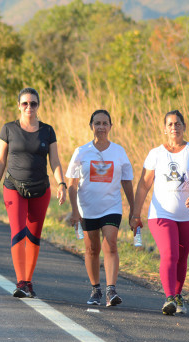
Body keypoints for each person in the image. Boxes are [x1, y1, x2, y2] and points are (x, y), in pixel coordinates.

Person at [0, 87, 67, 298]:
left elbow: (55, 161)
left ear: (38, 105)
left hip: (41, 189)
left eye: (33, 103)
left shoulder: (47, 131)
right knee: (18, 232)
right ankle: (21, 281)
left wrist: (62, 184)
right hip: (14, 186)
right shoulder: (8, 129)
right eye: (25, 103)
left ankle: (28, 282)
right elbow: (0, 161)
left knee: (34, 236)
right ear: (19, 106)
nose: (29, 107)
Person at [129, 110, 189, 316]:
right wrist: (135, 214)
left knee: (182, 257)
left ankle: (178, 294)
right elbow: (144, 185)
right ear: (164, 129)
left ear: (184, 126)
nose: (174, 127)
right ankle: (169, 297)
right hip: (161, 214)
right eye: (170, 124)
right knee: (170, 254)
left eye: (178, 123)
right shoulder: (156, 153)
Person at [65, 109, 134, 307]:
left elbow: (127, 182)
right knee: (91, 248)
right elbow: (72, 184)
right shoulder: (81, 152)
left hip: (111, 206)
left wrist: (133, 209)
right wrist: (74, 211)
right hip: (87, 207)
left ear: (111, 127)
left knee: (111, 243)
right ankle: (96, 288)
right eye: (97, 123)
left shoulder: (119, 152)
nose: (101, 127)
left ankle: (111, 290)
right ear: (91, 127)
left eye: (105, 123)